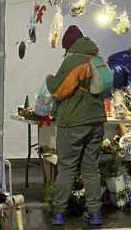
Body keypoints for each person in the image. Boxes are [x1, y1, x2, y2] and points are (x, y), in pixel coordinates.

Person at [46, 25, 106, 226]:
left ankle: (59, 213)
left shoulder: (73, 60)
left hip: (72, 122)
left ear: (69, 45)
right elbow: (106, 87)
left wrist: (49, 80)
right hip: (97, 121)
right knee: (91, 169)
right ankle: (95, 213)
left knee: (67, 168)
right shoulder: (98, 59)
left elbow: (59, 90)